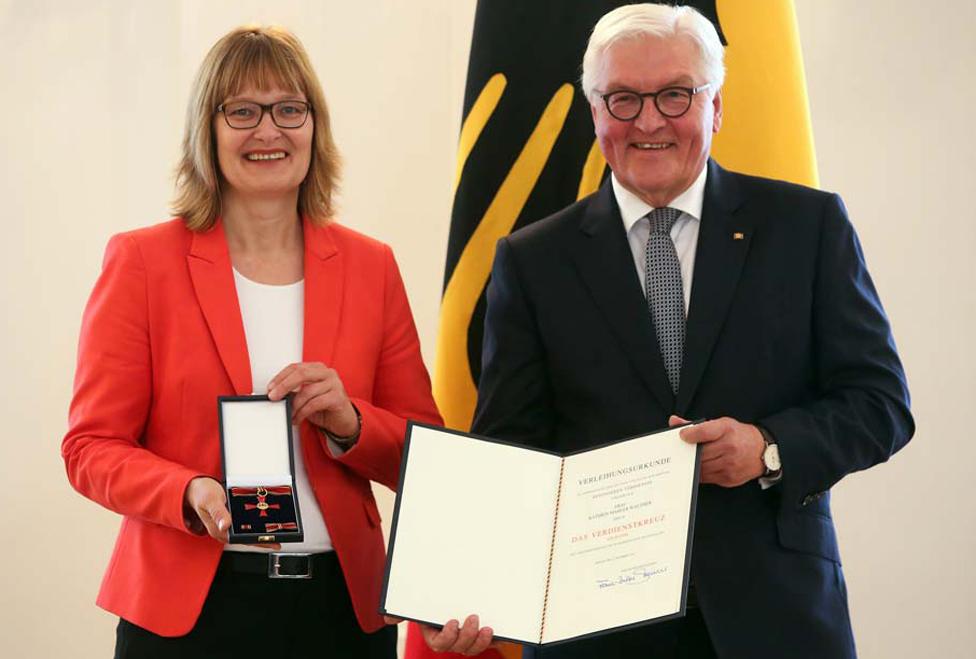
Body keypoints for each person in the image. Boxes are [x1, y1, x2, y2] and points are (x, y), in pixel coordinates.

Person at [422, 4, 913, 658]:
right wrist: (464, 586)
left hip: (775, 618)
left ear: (715, 105)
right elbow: (510, 454)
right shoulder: (533, 260)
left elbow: (881, 404)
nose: (648, 120)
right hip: (596, 632)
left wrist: (768, 446)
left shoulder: (807, 227)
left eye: (675, 95)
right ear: (595, 113)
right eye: (622, 99)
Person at [61, 25, 441, 658]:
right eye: (242, 111)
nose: (269, 130)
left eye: (290, 109)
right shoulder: (142, 262)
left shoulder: (371, 266)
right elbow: (89, 447)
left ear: (315, 126)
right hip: (190, 615)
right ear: (207, 130)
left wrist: (351, 423)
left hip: (340, 613)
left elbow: (428, 456)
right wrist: (188, 491)